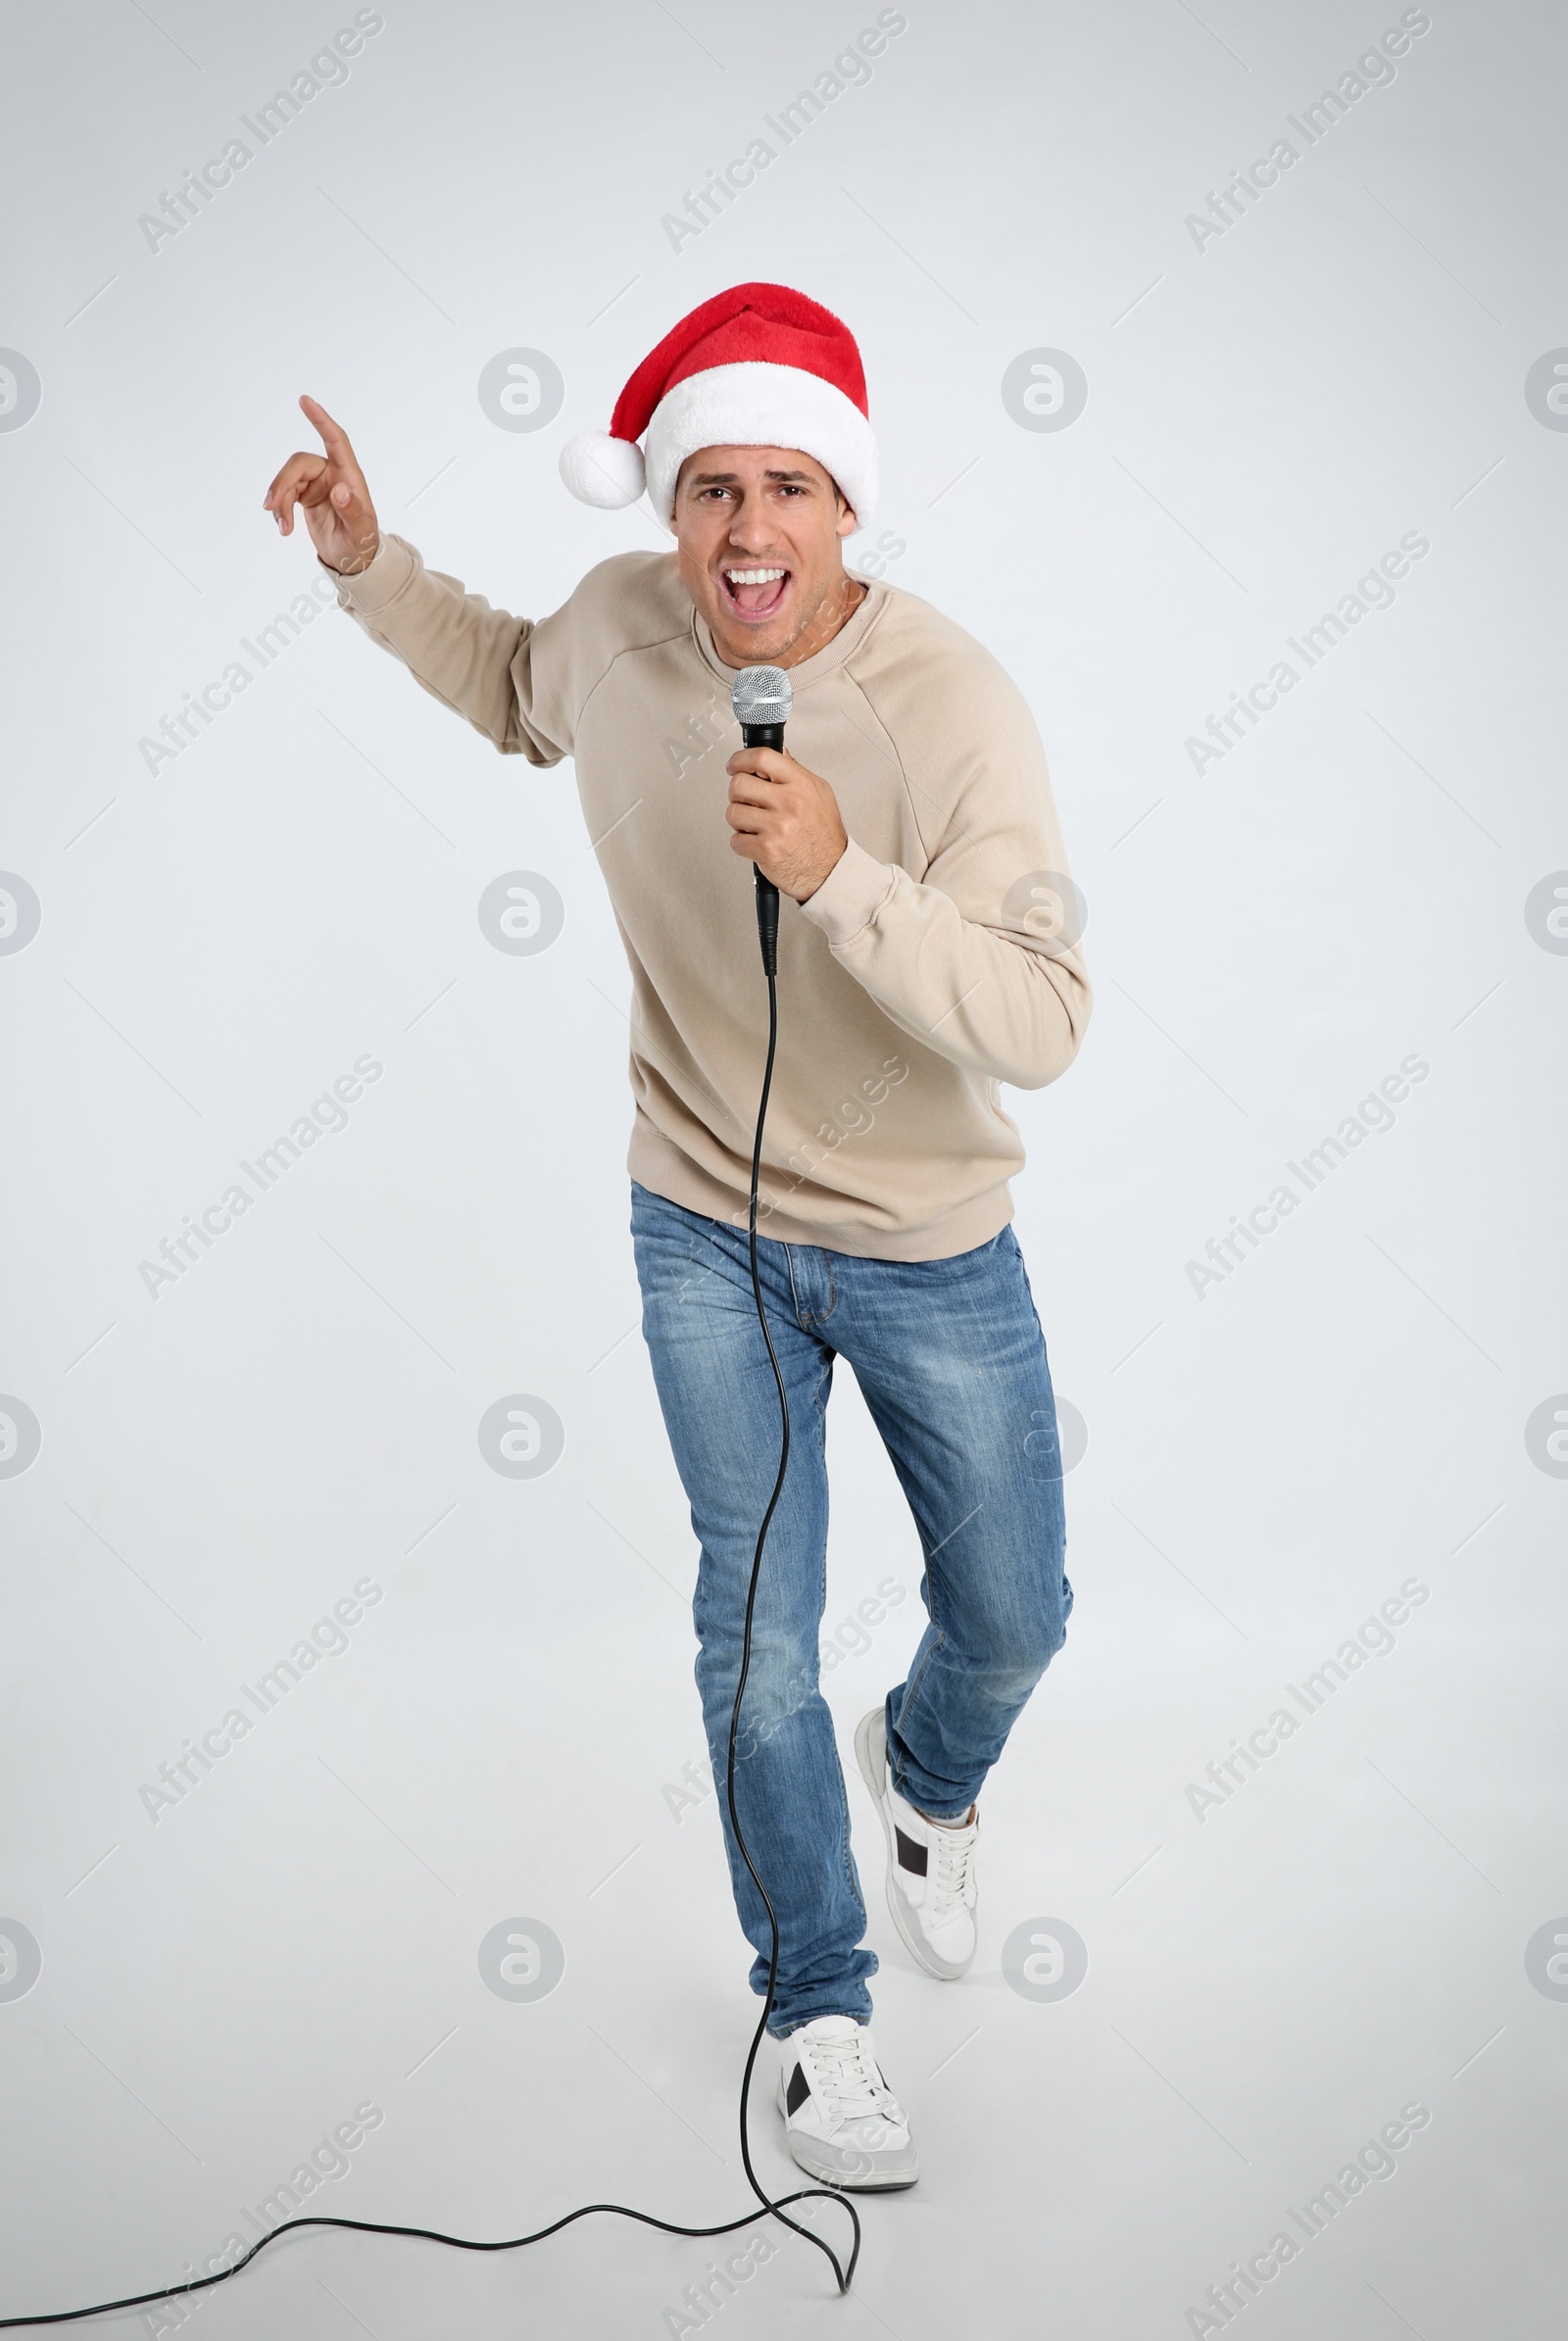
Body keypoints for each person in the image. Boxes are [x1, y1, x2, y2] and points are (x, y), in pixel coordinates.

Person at [264, 282, 1090, 2193]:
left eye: (786, 487)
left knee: (1020, 1612)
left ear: (845, 508)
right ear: (665, 506)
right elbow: (498, 684)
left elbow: (1043, 1018)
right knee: (753, 1634)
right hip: (697, 1223)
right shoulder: (624, 631)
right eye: (711, 486)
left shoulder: (951, 708)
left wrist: (841, 877)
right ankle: (817, 2010)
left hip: (923, 1236)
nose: (744, 534)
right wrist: (366, 563)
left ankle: (933, 1780)